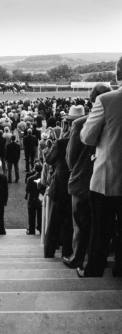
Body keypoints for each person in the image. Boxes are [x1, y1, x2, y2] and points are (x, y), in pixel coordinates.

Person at [77, 57, 122, 278]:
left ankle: (94, 269)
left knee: (101, 229)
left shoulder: (107, 99)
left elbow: (86, 137)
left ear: (118, 74)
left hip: (108, 176)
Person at [64, 83, 111, 269]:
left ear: (92, 100)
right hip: (108, 177)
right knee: (101, 223)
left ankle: (78, 257)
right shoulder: (114, 119)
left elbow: (70, 158)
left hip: (83, 178)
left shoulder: (79, 123)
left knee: (81, 222)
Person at [44, 105, 85, 259]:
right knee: (69, 223)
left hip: (61, 186)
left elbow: (49, 159)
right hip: (78, 187)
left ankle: (49, 252)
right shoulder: (88, 142)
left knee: (55, 222)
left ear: (67, 124)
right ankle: (67, 253)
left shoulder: (62, 142)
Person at [25, 162, 43, 235]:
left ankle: (31, 229)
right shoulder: (43, 178)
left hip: (32, 198)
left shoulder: (30, 178)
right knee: (40, 215)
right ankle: (41, 228)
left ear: (34, 169)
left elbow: (27, 190)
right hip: (40, 198)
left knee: (31, 215)